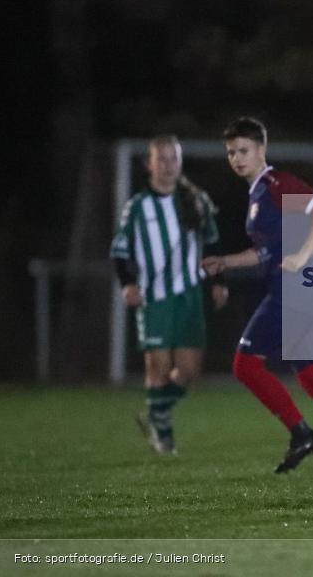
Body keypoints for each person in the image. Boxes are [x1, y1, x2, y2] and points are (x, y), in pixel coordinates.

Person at [202, 117, 313, 474]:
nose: (236, 158)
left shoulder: (276, 183)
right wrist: (226, 262)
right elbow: (264, 252)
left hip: (297, 290)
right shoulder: (257, 196)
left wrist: (302, 254)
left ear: (262, 150)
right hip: (306, 291)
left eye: (244, 150)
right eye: (231, 152)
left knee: (245, 365)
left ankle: (301, 434)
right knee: (312, 375)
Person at [110, 134, 228, 455]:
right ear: (149, 164)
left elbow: (214, 244)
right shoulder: (137, 207)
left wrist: (219, 282)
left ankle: (155, 412)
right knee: (158, 370)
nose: (167, 165)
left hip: (189, 295)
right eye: (160, 159)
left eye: (173, 158)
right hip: (154, 298)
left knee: (188, 372)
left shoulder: (196, 200)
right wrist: (127, 284)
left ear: (180, 163)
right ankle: (163, 438)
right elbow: (120, 252)